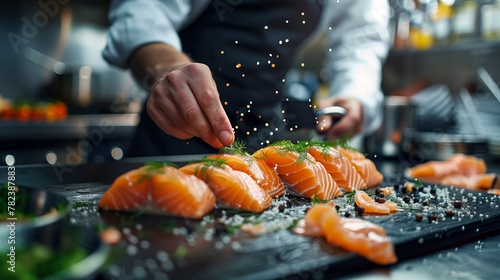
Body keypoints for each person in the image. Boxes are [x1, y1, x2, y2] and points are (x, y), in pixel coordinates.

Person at [103, 0, 390, 156]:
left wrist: (354, 92)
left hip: (267, 138)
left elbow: (360, 38)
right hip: (172, 133)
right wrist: (165, 67)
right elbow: (143, 8)